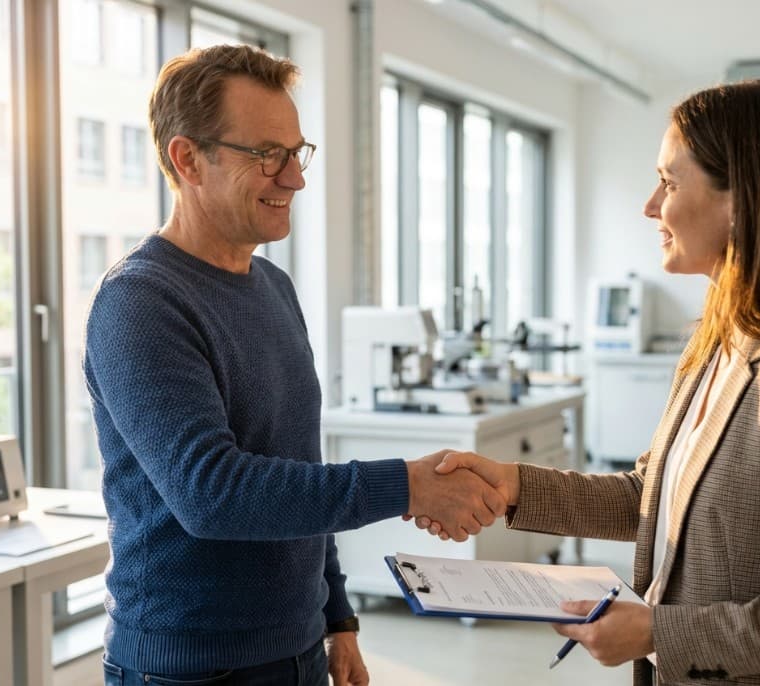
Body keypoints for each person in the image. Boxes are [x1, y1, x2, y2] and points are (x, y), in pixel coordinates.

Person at [423, 80, 760, 685]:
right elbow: (651, 497)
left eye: (670, 182)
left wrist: (659, 632)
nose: (651, 205)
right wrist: (513, 485)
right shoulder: (721, 344)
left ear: (742, 200)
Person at [84, 45, 505, 686]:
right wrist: (409, 485)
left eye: (296, 152)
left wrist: (337, 618)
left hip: (299, 648)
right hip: (187, 670)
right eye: (266, 156)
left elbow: (297, 472)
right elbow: (213, 495)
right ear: (187, 158)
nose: (295, 179)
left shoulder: (274, 288)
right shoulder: (140, 303)